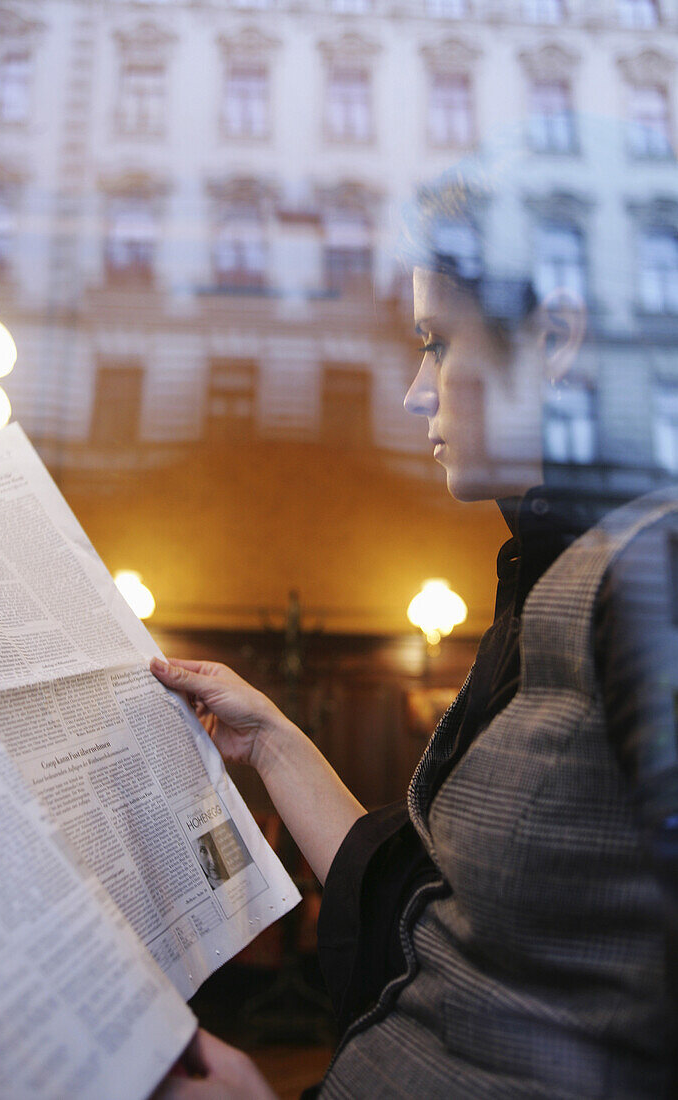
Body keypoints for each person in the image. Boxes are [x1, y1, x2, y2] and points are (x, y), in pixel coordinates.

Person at [151, 139, 678, 1098]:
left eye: (436, 339)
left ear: (556, 340)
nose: (413, 387)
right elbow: (442, 920)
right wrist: (275, 744)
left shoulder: (651, 567)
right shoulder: (563, 566)